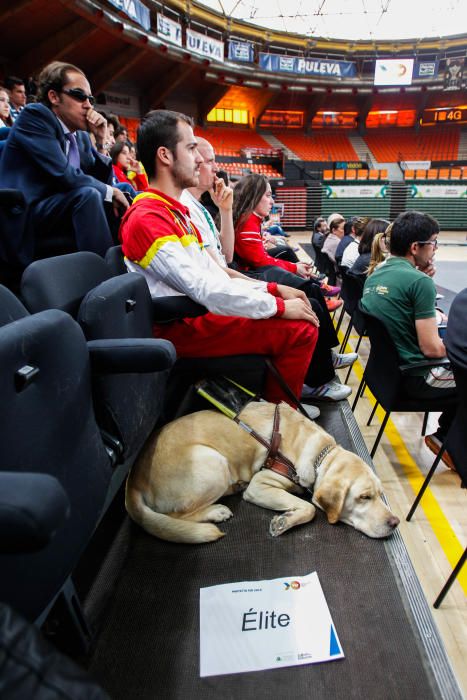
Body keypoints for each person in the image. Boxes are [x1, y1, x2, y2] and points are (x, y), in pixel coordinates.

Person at [119, 109, 320, 406]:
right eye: (190, 148)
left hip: (195, 313)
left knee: (301, 313)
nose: (199, 159)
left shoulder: (174, 213)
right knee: (301, 329)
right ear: (165, 155)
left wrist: (273, 289)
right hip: (181, 325)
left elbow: (216, 275)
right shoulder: (147, 218)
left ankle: (269, 413)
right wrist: (277, 306)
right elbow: (205, 288)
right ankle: (279, 433)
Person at [181, 138, 356, 404]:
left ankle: (316, 367)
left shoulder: (201, 210)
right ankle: (304, 389)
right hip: (205, 306)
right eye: (203, 158)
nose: (215, 168)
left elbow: (223, 260)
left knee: (303, 296)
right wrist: (275, 298)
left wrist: (225, 211)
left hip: (228, 281)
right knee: (304, 307)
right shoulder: (170, 212)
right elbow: (222, 273)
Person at [0, 60, 129, 276]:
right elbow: (64, 175)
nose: (88, 105)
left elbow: (102, 183)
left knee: (122, 189)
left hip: (59, 205)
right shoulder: (35, 117)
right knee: (88, 195)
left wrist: (100, 141)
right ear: (54, 96)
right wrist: (109, 191)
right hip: (27, 211)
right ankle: (106, 280)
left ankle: (133, 263)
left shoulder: (80, 135)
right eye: (79, 96)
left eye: (90, 98)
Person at [361, 210, 457, 469]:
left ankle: (447, 436)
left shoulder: (376, 273)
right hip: (417, 377)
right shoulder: (418, 282)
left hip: (385, 376)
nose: (435, 249)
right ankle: (447, 439)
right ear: (416, 247)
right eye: (433, 242)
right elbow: (432, 348)